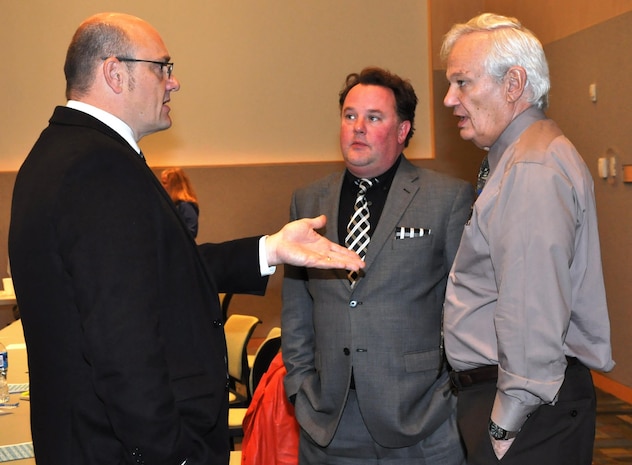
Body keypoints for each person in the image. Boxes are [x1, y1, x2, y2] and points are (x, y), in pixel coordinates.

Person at [8, 13, 364, 465]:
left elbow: (152, 273)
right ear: (115, 73)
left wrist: (270, 249)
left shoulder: (56, 153)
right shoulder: (99, 166)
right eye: (163, 67)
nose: (173, 83)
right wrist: (173, 454)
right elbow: (122, 343)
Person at [441, 13, 615, 465]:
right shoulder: (524, 155)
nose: (449, 99)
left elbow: (531, 307)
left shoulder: (531, 168)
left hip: (526, 411)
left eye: (462, 82)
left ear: (513, 83)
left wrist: (503, 424)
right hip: (525, 404)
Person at [282, 66, 475, 464]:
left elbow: (467, 308)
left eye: (373, 118)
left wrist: (450, 391)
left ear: (403, 131)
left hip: (419, 418)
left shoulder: (447, 199)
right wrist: (299, 384)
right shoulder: (308, 202)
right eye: (350, 116)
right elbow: (297, 305)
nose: (358, 128)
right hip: (328, 420)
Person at [161, 167, 200, 238]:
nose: (161, 186)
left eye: (164, 183)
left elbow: (191, 231)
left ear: (174, 185)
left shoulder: (185, 206)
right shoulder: (172, 205)